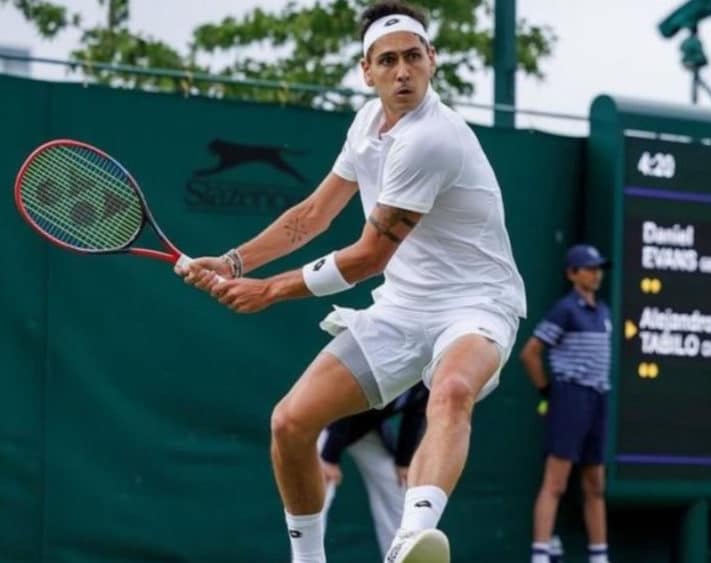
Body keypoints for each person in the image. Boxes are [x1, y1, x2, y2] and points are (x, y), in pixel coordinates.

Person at [176, 1, 527, 561]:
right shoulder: (367, 123)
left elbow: (368, 258)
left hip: (477, 303)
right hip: (402, 309)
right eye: (387, 61)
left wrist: (269, 290)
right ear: (367, 71)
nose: (402, 71)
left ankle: (411, 540)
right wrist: (236, 261)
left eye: (413, 56)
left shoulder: (431, 139)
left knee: (453, 389)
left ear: (432, 60)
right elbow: (314, 215)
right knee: (290, 423)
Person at [520, 244, 612, 563]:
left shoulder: (603, 312)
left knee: (595, 483)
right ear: (572, 274)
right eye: (589, 268)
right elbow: (531, 352)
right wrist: (549, 391)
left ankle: (599, 556)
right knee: (555, 481)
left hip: (598, 397)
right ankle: (541, 554)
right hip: (569, 396)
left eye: (598, 267)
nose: (596, 273)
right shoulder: (564, 309)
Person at [318, 385, 428, 558]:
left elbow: (415, 414)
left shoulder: (428, 378)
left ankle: (400, 557)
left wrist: (404, 462)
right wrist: (329, 457)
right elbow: (344, 401)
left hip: (366, 429)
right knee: (318, 491)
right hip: (327, 422)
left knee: (397, 484)